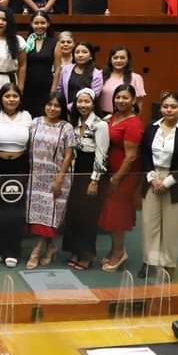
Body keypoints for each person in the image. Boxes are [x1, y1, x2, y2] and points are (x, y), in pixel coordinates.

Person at [138, 92, 178, 278]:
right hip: (152, 179)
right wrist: (152, 178)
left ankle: (167, 266)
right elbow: (144, 155)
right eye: (165, 106)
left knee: (171, 228)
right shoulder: (151, 128)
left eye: (173, 107)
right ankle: (150, 262)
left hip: (177, 184)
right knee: (150, 224)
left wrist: (167, 182)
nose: (169, 110)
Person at [24, 93, 75, 270]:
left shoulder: (66, 127)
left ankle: (36, 251)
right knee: (40, 216)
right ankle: (51, 247)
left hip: (57, 177)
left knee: (49, 216)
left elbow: (69, 155)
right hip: (36, 177)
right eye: (49, 104)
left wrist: (59, 179)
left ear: (62, 109)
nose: (52, 108)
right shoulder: (35, 122)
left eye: (57, 106)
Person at [0, 83, 32, 267]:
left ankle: (12, 250)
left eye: (15, 96)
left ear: (20, 99)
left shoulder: (26, 116)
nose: (11, 99)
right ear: (1, 98)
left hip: (18, 166)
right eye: (7, 96)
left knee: (15, 209)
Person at [98, 84, 144, 272]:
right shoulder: (113, 118)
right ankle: (114, 249)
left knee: (117, 212)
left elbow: (131, 156)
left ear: (133, 100)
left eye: (125, 98)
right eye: (118, 97)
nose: (121, 101)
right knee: (110, 211)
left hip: (124, 174)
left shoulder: (133, 123)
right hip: (111, 170)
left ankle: (119, 254)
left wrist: (117, 178)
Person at [63, 88, 109, 270]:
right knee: (74, 214)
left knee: (88, 216)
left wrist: (94, 180)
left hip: (90, 174)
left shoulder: (100, 125)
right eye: (80, 102)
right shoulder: (73, 123)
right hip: (75, 173)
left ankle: (87, 254)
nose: (83, 105)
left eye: (87, 101)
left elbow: (101, 155)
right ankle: (76, 249)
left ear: (93, 103)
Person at [21, 11, 59, 117]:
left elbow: (57, 69)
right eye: (36, 23)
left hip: (46, 87)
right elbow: (21, 66)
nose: (39, 26)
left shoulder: (55, 43)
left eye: (43, 22)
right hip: (28, 87)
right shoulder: (25, 42)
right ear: (31, 24)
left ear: (48, 24)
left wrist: (53, 91)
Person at [54, 41, 103, 113]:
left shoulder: (97, 74)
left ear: (91, 56)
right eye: (77, 52)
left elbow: (93, 96)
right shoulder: (65, 69)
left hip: (85, 111)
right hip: (65, 112)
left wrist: (69, 107)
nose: (80, 55)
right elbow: (59, 89)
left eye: (84, 52)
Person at [99, 45, 147, 116]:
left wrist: (134, 119)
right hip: (101, 116)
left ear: (128, 60)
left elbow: (139, 103)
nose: (119, 60)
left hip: (125, 116)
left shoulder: (136, 78)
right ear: (110, 59)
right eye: (115, 58)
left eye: (122, 58)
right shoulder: (100, 75)